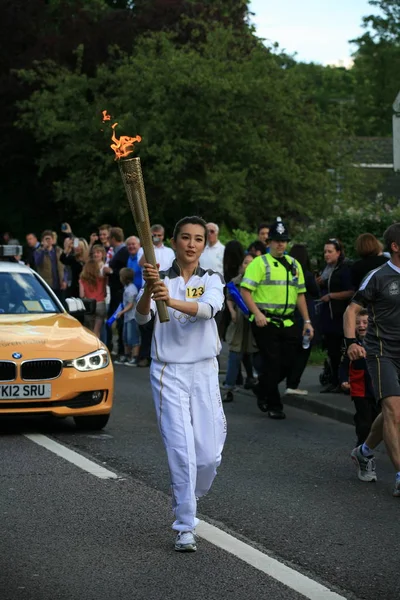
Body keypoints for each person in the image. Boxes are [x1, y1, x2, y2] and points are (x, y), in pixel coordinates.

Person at [135, 215, 226, 552]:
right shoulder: (158, 278)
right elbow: (142, 317)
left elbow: (207, 310)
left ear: (204, 244)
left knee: (208, 457)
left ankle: (185, 490)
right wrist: (149, 290)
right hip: (168, 371)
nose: (191, 244)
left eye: (198, 239)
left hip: (204, 370)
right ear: (174, 242)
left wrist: (168, 300)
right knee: (182, 451)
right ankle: (185, 525)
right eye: (185, 237)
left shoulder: (212, 278)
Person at [344, 223, 400, 495]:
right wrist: (352, 342)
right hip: (381, 351)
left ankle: (364, 452)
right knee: (393, 411)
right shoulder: (378, 276)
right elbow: (351, 311)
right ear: (395, 246)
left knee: (392, 413)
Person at [241, 217, 314, 419]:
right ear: (269, 242)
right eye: (276, 240)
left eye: (283, 240)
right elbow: (245, 290)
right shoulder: (259, 263)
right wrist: (256, 314)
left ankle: (262, 387)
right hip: (265, 321)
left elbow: (300, 294)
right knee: (273, 362)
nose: (280, 243)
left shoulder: (294, 264)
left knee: (289, 362)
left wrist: (307, 321)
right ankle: (274, 404)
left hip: (289, 321)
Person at [318, 238, 354, 393]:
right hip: (327, 314)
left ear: (338, 253)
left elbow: (351, 291)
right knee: (331, 350)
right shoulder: (326, 269)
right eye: (325, 251)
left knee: (340, 350)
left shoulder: (344, 269)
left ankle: (342, 380)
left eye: (330, 251)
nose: (326, 255)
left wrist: (332, 295)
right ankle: (333, 379)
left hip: (339, 314)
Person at [222, 253, 258, 402]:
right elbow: (229, 298)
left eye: (251, 263)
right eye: (245, 263)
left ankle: (257, 384)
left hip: (253, 324)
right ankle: (228, 387)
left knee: (254, 355)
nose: (247, 266)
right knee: (234, 355)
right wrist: (231, 311)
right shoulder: (235, 282)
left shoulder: (258, 282)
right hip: (238, 324)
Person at [137, 224, 174, 367]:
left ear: (163, 236)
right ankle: (145, 356)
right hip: (147, 289)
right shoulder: (144, 249)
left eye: (159, 235)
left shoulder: (170, 251)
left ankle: (162, 355)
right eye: (154, 234)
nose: (156, 237)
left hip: (164, 289)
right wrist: (149, 247)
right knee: (145, 325)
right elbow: (141, 263)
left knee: (161, 324)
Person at [339, 308, 378, 445]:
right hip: (360, 389)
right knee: (365, 423)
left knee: (379, 420)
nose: (361, 325)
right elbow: (344, 366)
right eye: (357, 323)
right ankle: (361, 448)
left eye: (365, 322)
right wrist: (343, 380)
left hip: (378, 389)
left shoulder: (379, 342)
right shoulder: (352, 346)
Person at [285, 243, 320, 396]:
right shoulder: (306, 274)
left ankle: (288, 381)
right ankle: (293, 383)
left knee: (290, 350)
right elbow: (315, 291)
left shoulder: (286, 272)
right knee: (303, 349)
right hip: (306, 315)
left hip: (289, 314)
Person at [103, 227, 129, 356]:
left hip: (120, 291)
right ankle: (114, 347)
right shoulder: (116, 251)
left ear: (113, 238)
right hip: (115, 290)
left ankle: (121, 350)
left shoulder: (123, 251)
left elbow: (125, 270)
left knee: (119, 319)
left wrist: (111, 271)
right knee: (114, 319)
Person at [114, 267, 140, 366]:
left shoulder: (131, 289)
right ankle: (126, 355)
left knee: (133, 338)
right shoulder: (126, 288)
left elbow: (131, 304)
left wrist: (121, 312)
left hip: (132, 317)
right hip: (127, 317)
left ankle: (134, 357)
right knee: (125, 337)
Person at [34, 230, 67, 300]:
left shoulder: (59, 251)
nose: (48, 241)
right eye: (46, 239)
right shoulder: (38, 251)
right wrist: (44, 249)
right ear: (42, 240)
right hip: (47, 285)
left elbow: (65, 267)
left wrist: (65, 280)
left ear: (52, 240)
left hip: (59, 284)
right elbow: (37, 262)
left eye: (49, 239)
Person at [79, 258, 107, 338]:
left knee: (90, 330)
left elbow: (81, 295)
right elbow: (105, 293)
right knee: (97, 330)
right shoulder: (102, 278)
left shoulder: (82, 279)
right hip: (100, 303)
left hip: (89, 305)